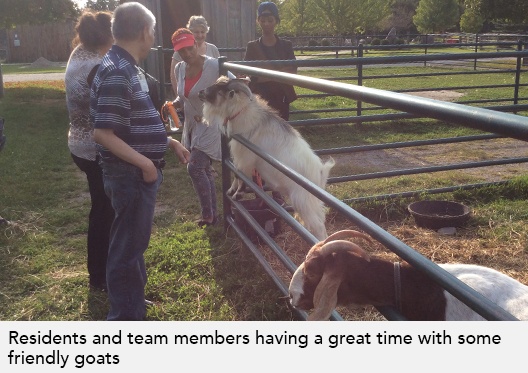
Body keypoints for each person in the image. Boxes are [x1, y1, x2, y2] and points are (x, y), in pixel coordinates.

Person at [90, 2, 190, 321]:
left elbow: (131, 123)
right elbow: (103, 134)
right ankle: (125, 319)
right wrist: (146, 165)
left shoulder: (123, 65)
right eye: (153, 32)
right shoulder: (119, 70)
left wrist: (167, 141)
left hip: (133, 172)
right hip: (131, 174)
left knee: (132, 243)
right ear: (145, 32)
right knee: (126, 249)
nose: (153, 38)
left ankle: (132, 303)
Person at [65, 10, 114, 292]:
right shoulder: (96, 64)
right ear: (107, 35)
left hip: (79, 142)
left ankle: (98, 273)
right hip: (94, 147)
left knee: (101, 209)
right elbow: (109, 114)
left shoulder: (78, 54)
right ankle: (99, 276)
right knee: (104, 212)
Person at [171, 28, 233, 227]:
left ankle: (208, 214)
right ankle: (212, 214)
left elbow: (232, 82)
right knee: (203, 169)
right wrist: (174, 105)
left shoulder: (214, 66)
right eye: (182, 52)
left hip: (211, 124)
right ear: (177, 53)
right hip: (192, 124)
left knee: (195, 167)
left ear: (196, 44)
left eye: (190, 49)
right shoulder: (179, 68)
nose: (187, 54)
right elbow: (183, 96)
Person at [243, 1, 297, 120]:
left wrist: (262, 74)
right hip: (259, 98)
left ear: (276, 21)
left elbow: (292, 72)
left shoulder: (286, 45)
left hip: (281, 97)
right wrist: (279, 73)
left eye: (270, 20)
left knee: (281, 131)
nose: (266, 24)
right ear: (258, 21)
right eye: (263, 20)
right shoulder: (252, 46)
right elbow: (249, 75)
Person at [170, 15, 219, 98]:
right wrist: (180, 98)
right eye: (196, 32)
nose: (200, 35)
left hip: (211, 96)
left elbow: (220, 71)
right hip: (190, 95)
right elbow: (175, 77)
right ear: (191, 32)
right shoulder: (180, 52)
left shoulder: (213, 48)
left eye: (202, 32)